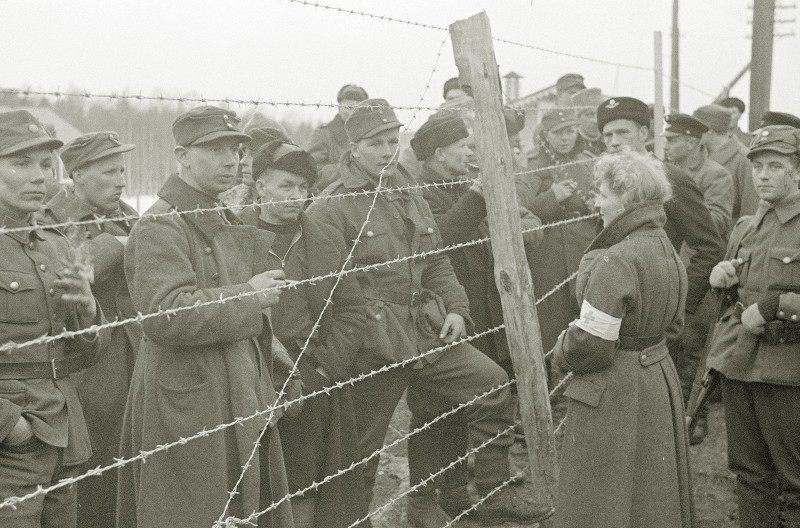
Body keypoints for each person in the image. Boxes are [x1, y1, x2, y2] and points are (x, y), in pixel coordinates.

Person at [306, 99, 552, 527]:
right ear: (353, 146)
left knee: (493, 386)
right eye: (375, 143)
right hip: (373, 345)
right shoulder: (331, 207)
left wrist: (456, 308)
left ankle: (491, 493)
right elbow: (335, 294)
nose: (386, 151)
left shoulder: (406, 188)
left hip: (426, 331)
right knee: (359, 455)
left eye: (391, 140)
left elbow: (435, 258)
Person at [116, 106, 293, 528]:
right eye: (215, 149)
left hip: (233, 389)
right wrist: (249, 296)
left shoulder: (217, 213)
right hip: (185, 396)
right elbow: (164, 314)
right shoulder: (161, 224)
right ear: (183, 155)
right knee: (190, 509)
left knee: (240, 504)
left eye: (236, 149)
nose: (231, 160)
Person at [407, 111, 544, 523]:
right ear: (437, 153)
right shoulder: (421, 194)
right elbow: (439, 239)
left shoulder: (454, 188)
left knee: (468, 405)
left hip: (472, 311)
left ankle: (452, 492)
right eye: (464, 147)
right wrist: (478, 197)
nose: (470, 153)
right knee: (436, 410)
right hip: (438, 317)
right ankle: (433, 497)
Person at [553, 149, 694, 528]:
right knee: (650, 496)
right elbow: (675, 328)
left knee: (601, 500)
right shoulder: (667, 249)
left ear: (627, 198)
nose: (597, 202)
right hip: (657, 379)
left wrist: (561, 351)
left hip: (613, 390)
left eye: (602, 193)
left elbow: (592, 347)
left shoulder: (616, 259)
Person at [240, 138, 369, 528]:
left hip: (309, 377)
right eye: (285, 186)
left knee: (305, 480)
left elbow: (351, 310)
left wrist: (322, 371)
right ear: (260, 186)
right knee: (247, 482)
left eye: (302, 188)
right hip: (248, 376)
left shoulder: (322, 239)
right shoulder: (232, 236)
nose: (296, 197)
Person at [0, 109, 108, 528]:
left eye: (46, 165)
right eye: (20, 163)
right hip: (12, 448)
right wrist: (12, 426)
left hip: (63, 436)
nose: (38, 177)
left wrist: (86, 309)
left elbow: (89, 351)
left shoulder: (54, 243)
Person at [41, 130, 141, 527]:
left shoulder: (127, 215)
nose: (120, 180)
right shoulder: (53, 218)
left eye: (122, 170)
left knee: (125, 469)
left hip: (132, 358)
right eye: (108, 171)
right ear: (77, 174)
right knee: (88, 477)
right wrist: (118, 243)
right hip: (86, 370)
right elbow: (70, 274)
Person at [705, 125, 800, 528]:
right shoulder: (746, 225)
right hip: (741, 363)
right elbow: (734, 301)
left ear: (797, 171)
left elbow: (771, 301)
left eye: (775, 166)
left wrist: (778, 305)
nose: (763, 174)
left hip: (789, 371)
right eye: (758, 166)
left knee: (795, 479)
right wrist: (722, 277)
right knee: (749, 473)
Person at [596, 96, 725, 330]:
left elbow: (710, 247)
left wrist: (679, 304)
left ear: (644, 134)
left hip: (656, 314)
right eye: (608, 135)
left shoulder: (670, 178)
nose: (614, 142)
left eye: (623, 133)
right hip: (614, 305)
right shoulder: (608, 181)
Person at [515, 108, 596, 355]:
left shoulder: (588, 160)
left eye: (570, 131)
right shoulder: (532, 165)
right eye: (558, 133)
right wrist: (552, 197)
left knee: (589, 316)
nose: (565, 138)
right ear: (545, 136)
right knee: (552, 321)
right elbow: (518, 209)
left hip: (585, 247)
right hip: (549, 255)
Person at [663, 113, 733, 238]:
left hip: (696, 250)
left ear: (691, 143)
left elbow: (718, 222)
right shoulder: (666, 170)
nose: (665, 146)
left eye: (671, 141)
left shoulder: (716, 175)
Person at [695, 104, 759, 221]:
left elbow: (750, 213)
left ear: (709, 131)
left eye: (696, 128)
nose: (692, 134)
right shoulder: (701, 155)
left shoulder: (744, 160)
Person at [307, 84, 368, 194]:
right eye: (348, 107)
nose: (352, 112)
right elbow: (312, 172)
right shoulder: (323, 134)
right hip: (331, 197)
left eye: (358, 108)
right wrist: (350, 169)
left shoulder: (369, 136)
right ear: (339, 107)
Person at [570, 87, 606, 156]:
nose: (596, 121)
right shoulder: (571, 145)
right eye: (589, 115)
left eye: (599, 114)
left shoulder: (609, 141)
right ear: (578, 118)